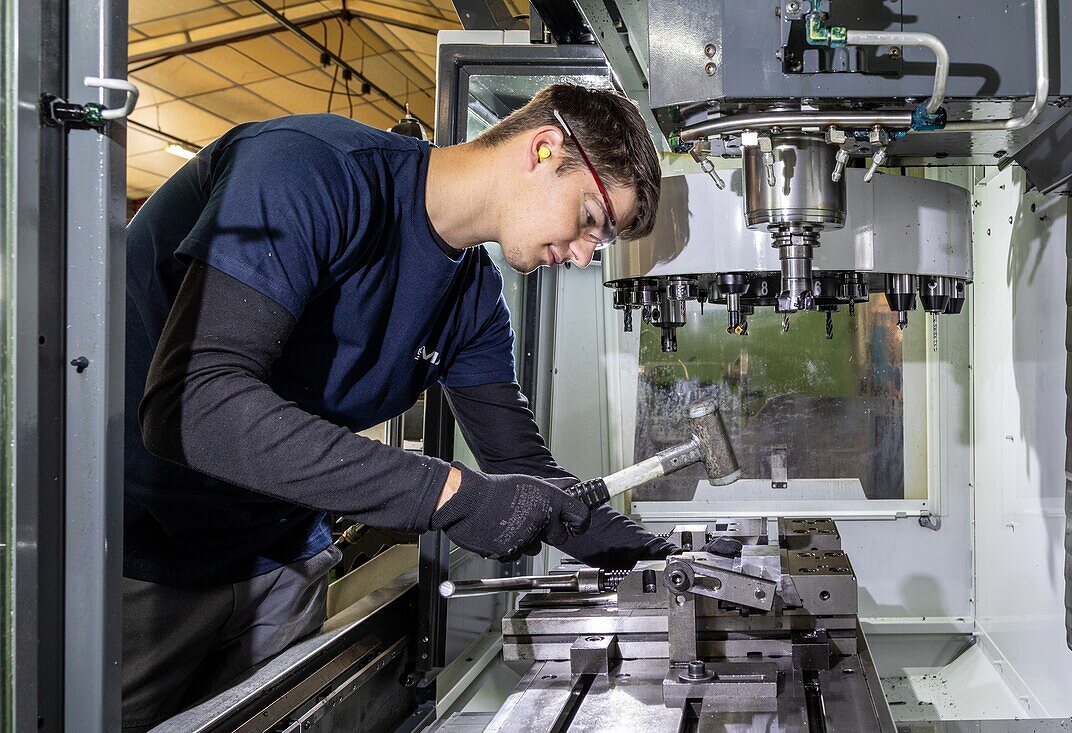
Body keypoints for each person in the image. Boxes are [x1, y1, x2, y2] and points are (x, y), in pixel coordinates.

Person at [122, 83, 671, 730]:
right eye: (588, 219)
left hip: (283, 561)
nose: (582, 254)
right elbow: (194, 406)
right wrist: (455, 495)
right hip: (140, 560)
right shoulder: (310, 170)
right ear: (545, 149)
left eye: (599, 244)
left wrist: (653, 556)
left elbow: (527, 472)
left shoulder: (473, 299)